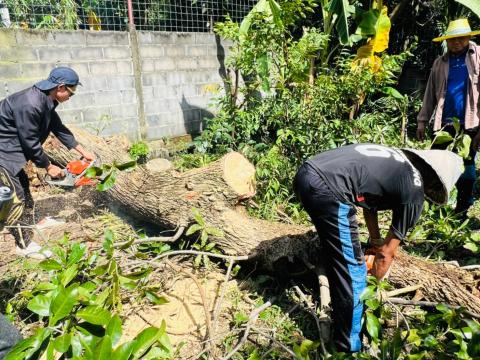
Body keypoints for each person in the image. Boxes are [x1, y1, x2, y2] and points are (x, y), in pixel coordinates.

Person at [293, 143, 463, 353]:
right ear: (435, 184)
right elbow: (386, 254)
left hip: (306, 173)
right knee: (354, 271)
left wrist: (374, 242)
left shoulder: (395, 161)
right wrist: (373, 282)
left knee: (339, 252)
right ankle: (348, 346)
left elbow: (369, 207)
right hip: (329, 190)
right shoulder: (414, 192)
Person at [0, 67, 95, 259]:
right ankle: (23, 244)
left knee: (24, 190)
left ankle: (30, 223)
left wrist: (83, 151)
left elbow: (58, 127)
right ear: (60, 87)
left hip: (12, 150)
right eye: (71, 91)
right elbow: (30, 142)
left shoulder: (47, 100)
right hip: (3, 153)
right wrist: (48, 166)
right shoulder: (30, 103)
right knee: (15, 198)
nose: (71, 95)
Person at [417, 18, 480, 216]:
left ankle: (463, 206)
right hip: (445, 122)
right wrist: (422, 121)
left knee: (467, 167)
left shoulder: (478, 57)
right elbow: (430, 93)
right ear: (447, 41)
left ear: (469, 37)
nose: (456, 43)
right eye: (452, 39)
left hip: (471, 123)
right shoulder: (440, 63)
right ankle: (433, 204)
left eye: (461, 38)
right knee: (435, 163)